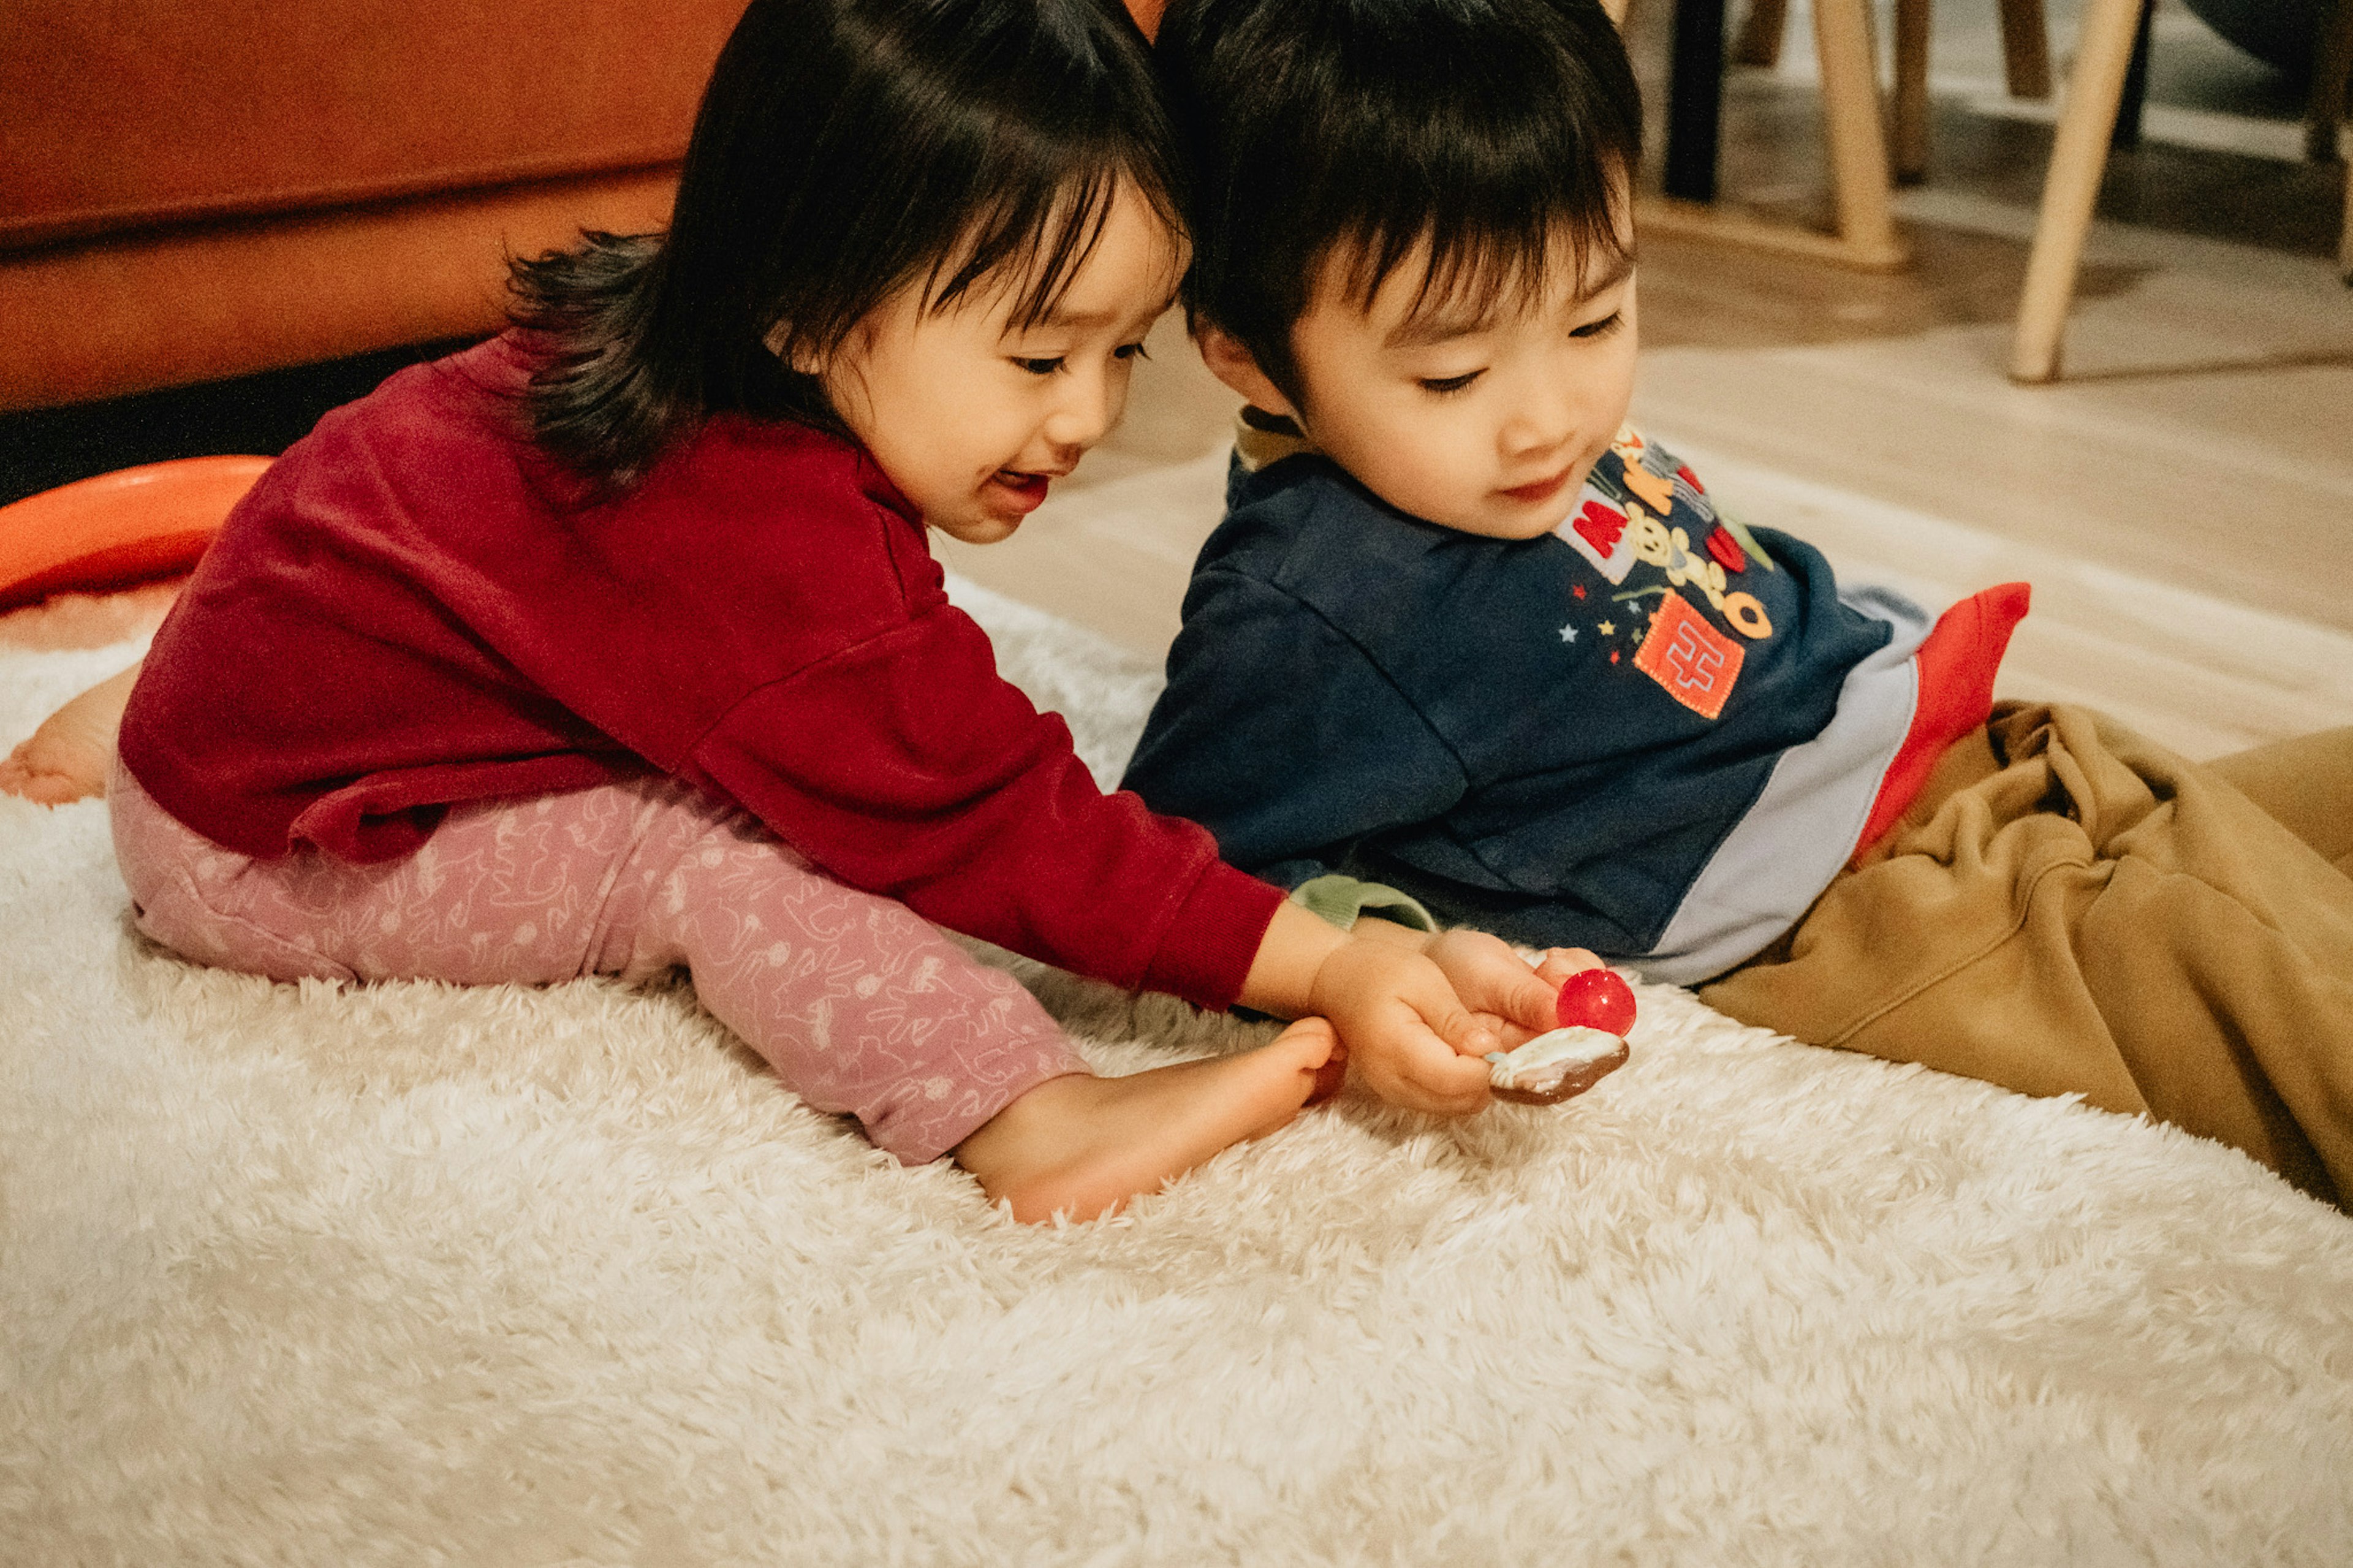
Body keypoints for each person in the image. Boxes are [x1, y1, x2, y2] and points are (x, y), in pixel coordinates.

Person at [14, 0, 1579, 1224]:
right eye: (1041, 358)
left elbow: (396, 509)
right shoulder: (765, 559)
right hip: (251, 851)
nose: (1093, 413)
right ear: (808, 307)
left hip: (262, 670)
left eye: (1126, 353)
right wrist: (1316, 962)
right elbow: (990, 816)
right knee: (703, 848)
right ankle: (1024, 1118)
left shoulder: (679, 338)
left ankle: (170, 689)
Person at [1122, 0, 2353, 1206]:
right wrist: (1372, 947)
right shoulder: (1310, 601)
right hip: (1871, 902)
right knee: (2267, 981)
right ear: (1242, 353)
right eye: (1452, 372)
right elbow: (1170, 866)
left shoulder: (1485, 455)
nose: (1550, 413)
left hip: (1962, 751)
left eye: (1595, 315)